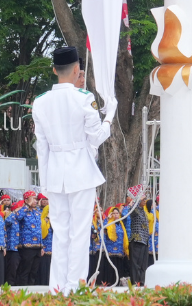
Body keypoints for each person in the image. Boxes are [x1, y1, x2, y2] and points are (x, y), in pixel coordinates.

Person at [31, 46, 110, 293]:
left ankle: (57, 287)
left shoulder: (40, 102)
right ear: (77, 69)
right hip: (80, 172)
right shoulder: (84, 98)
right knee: (79, 232)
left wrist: (45, 181)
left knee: (60, 232)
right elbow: (96, 137)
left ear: (54, 70)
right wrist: (109, 117)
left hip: (54, 172)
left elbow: (41, 147)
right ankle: (74, 288)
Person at [13, 191, 43, 286]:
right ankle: (23, 291)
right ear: (26, 200)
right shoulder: (22, 211)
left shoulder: (37, 212)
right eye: (33, 199)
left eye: (35, 199)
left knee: (34, 272)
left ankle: (32, 291)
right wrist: (26, 206)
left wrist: (41, 245)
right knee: (25, 271)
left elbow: (39, 229)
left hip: (37, 246)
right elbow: (17, 217)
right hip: (27, 246)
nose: (35, 201)